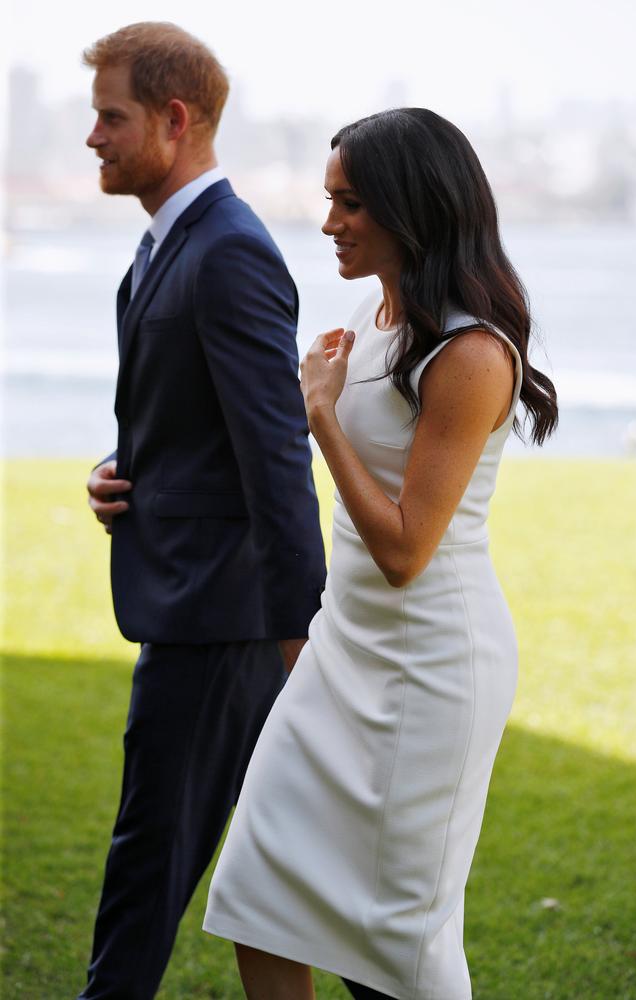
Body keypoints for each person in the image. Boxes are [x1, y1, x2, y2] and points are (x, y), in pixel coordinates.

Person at [203, 108, 558, 1000]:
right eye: (330, 201)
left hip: (430, 668)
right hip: (342, 648)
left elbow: (404, 549)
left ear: (414, 205)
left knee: (399, 941)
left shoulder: (471, 352)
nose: (330, 225)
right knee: (254, 890)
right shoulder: (370, 313)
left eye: (351, 204)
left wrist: (321, 414)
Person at [79, 21, 326, 1000]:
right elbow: (195, 426)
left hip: (224, 621)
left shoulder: (226, 252)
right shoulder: (171, 243)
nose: (92, 138)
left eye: (111, 116)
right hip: (191, 603)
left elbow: (275, 454)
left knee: (150, 867)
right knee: (208, 865)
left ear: (174, 120)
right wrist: (121, 470)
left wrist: (294, 631)